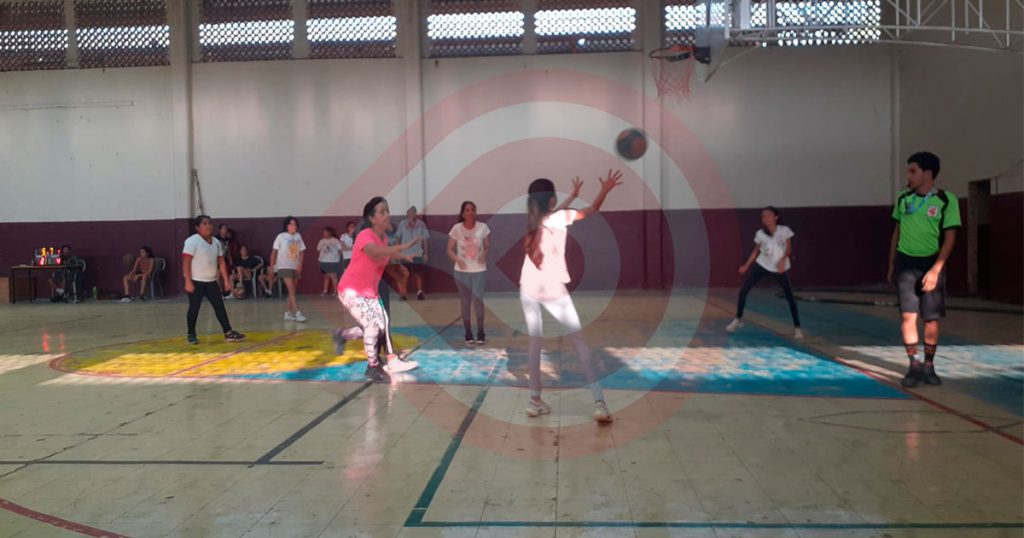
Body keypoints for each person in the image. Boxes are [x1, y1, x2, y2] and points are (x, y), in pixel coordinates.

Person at [520, 172, 622, 423]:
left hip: (528, 287)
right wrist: (605, 190)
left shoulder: (532, 220)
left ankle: (534, 401)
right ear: (552, 200)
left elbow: (555, 213)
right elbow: (592, 210)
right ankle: (599, 403)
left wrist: (572, 197)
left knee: (535, 342)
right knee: (579, 342)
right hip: (552, 288)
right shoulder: (560, 217)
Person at [887, 151, 960, 387]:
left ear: (927, 173)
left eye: (913, 171)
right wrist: (891, 263)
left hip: (931, 264)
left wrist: (936, 270)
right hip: (906, 264)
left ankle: (929, 365)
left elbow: (949, 239)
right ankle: (914, 365)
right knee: (907, 316)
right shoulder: (903, 199)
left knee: (931, 319)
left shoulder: (946, 200)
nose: (908, 176)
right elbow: (896, 232)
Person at [333, 197, 421, 382]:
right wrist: (402, 247)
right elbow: (374, 252)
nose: (387, 214)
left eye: (387, 211)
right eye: (382, 212)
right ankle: (373, 367)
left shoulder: (383, 239)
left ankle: (342, 335)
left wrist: (402, 260)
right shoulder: (365, 235)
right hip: (351, 290)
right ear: (372, 219)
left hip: (369, 292)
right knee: (372, 326)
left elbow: (385, 257)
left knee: (382, 326)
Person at [725, 207, 803, 339]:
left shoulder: (784, 230)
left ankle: (797, 328)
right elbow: (756, 250)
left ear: (776, 217)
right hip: (762, 265)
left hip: (779, 268)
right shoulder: (760, 233)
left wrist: (783, 259)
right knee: (743, 291)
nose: (765, 218)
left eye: (769, 215)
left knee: (790, 297)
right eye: (763, 216)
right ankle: (738, 319)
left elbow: (789, 248)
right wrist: (747, 265)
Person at [182, 215, 246, 344]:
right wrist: (188, 281)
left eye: (210, 223)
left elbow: (221, 261)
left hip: (211, 281)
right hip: (196, 280)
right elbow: (186, 261)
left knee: (219, 306)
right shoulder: (192, 241)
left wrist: (226, 280)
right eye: (204, 224)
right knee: (194, 308)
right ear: (197, 227)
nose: (208, 226)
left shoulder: (216, 242)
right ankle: (191, 334)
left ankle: (228, 332)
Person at [447, 201, 491, 345]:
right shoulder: (456, 229)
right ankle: (468, 333)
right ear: (463, 214)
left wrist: (484, 253)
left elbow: (487, 246)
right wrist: (457, 259)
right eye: (467, 210)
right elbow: (449, 249)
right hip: (462, 271)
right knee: (465, 301)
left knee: (477, 299)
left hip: (479, 270)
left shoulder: (483, 227)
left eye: (473, 210)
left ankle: (481, 332)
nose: (470, 212)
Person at [271, 216, 307, 322]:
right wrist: (272, 266)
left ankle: (287, 313)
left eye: (295, 224)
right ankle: (298, 312)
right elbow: (274, 252)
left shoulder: (298, 236)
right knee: (291, 289)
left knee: (293, 291)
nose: (293, 226)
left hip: (294, 266)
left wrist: (300, 266)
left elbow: (301, 252)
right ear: (286, 226)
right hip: (284, 266)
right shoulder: (281, 236)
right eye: (291, 224)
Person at [397, 206, 430, 300]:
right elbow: (398, 238)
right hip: (405, 254)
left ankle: (419, 292)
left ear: (416, 214)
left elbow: (425, 239)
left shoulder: (421, 224)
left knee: (418, 274)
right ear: (407, 214)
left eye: (413, 213)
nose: (411, 215)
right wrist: (397, 252)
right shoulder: (402, 224)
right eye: (410, 213)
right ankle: (403, 294)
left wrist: (425, 253)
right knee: (404, 274)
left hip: (417, 253)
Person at [317, 226, 343, 296]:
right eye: (323, 232)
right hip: (323, 262)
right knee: (326, 276)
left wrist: (339, 259)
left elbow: (340, 251)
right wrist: (319, 260)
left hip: (333, 261)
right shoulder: (321, 241)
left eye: (325, 232)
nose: (324, 234)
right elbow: (319, 251)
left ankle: (336, 291)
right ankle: (325, 290)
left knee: (333, 276)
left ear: (329, 232)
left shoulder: (335, 241)